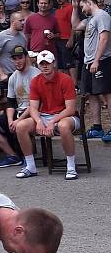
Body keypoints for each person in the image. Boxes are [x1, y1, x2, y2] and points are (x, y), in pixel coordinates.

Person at [14, 51, 80, 180]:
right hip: (44, 115)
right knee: (21, 126)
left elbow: (70, 109)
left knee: (63, 125)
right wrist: (38, 121)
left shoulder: (65, 79)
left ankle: (71, 167)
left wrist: (52, 122)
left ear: (54, 63)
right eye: (42, 64)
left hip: (65, 116)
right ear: (38, 65)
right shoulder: (35, 81)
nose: (45, 66)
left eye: (48, 63)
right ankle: (30, 166)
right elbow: (33, 107)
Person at [0, 45, 40, 167]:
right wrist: (11, 120)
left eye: (20, 58)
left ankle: (28, 160)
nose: (17, 61)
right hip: (19, 111)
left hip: (34, 112)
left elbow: (35, 104)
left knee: (20, 125)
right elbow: (10, 102)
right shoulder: (13, 77)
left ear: (26, 57)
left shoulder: (36, 75)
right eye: (14, 59)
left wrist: (18, 120)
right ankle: (12, 156)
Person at [72, 0, 111, 142]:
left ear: (89, 2)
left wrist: (96, 60)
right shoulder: (90, 19)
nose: (82, 10)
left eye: (82, 6)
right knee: (92, 94)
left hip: (102, 61)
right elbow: (75, 26)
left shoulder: (102, 16)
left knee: (107, 93)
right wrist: (75, 8)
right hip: (88, 62)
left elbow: (104, 38)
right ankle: (97, 127)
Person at [0, 11, 28, 85]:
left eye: (24, 20)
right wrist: (1, 74)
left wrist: (29, 71)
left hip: (19, 75)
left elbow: (26, 56)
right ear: (13, 22)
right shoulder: (0, 37)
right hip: (5, 76)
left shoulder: (23, 37)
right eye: (20, 20)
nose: (23, 23)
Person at [53, 0, 76, 80]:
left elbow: (74, 24)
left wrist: (71, 39)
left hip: (67, 39)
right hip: (58, 39)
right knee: (62, 64)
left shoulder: (70, 8)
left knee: (70, 63)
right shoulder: (57, 10)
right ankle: (66, 83)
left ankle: (74, 85)